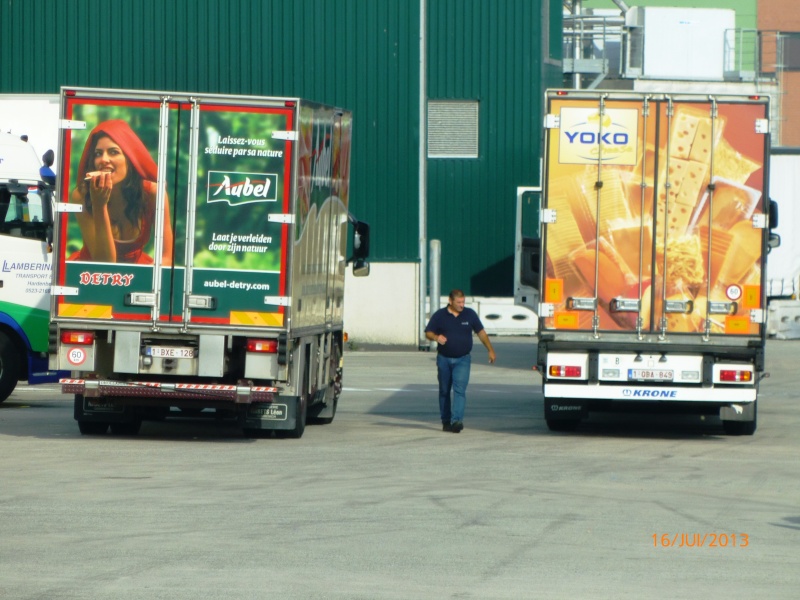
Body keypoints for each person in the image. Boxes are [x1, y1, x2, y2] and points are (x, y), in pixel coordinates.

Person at [69, 119, 173, 264]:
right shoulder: (82, 195)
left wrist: (149, 282)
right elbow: (105, 264)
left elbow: (166, 258)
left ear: (130, 159)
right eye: (98, 154)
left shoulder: (154, 194)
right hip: (94, 275)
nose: (104, 159)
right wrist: (99, 205)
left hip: (138, 274)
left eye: (113, 152)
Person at [425, 289, 496, 433]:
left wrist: (490, 349)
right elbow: (428, 332)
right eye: (458, 302)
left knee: (459, 390)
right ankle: (446, 421)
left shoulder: (469, 314)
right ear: (450, 301)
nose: (462, 305)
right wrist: (436, 337)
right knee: (444, 391)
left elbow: (481, 333)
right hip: (444, 359)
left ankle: (456, 421)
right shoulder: (439, 315)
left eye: (463, 302)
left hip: (463, 359)